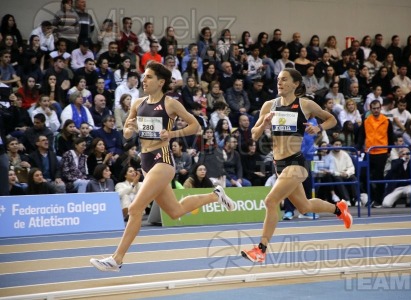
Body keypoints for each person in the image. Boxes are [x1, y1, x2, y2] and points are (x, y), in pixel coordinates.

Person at [90, 62, 236, 271]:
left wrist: (173, 134)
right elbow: (127, 133)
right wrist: (129, 130)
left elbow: (195, 125)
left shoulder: (170, 104)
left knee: (135, 208)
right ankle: (215, 195)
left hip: (163, 161)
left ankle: (117, 258)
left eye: (149, 77)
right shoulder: (137, 103)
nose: (144, 80)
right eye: (144, 76)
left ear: (161, 82)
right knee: (175, 211)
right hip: (146, 162)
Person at [241, 68, 352, 263]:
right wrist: (265, 123)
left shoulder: (306, 105)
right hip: (279, 164)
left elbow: (332, 119)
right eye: (278, 79)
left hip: (297, 162)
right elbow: (254, 134)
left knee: (270, 201)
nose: (279, 83)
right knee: (304, 205)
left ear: (296, 84)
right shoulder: (269, 105)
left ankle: (261, 249)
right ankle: (339, 209)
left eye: (284, 80)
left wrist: (318, 127)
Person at [357, 100, 395, 207]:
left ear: (381, 108)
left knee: (378, 177)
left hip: (381, 152)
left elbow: (391, 137)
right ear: (370, 109)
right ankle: (372, 197)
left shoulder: (387, 121)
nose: (376, 110)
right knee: (363, 175)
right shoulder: (366, 121)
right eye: (374, 108)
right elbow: (361, 136)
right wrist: (359, 148)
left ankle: (378, 200)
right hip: (369, 152)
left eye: (378, 108)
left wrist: (389, 151)